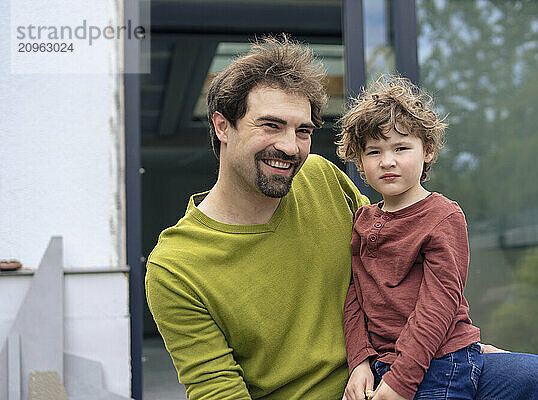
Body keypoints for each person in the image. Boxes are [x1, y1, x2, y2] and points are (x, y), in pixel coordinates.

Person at [145, 36, 370, 399]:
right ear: (222, 127)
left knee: (498, 374)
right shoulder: (176, 266)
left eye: (303, 131)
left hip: (392, 377)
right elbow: (219, 392)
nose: (290, 147)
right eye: (270, 125)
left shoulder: (322, 177)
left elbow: (399, 261)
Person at [336, 76, 538, 400]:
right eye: (373, 151)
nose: (387, 161)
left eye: (401, 148)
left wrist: (398, 384)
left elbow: (439, 304)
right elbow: (354, 298)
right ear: (360, 161)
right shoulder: (362, 221)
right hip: (381, 365)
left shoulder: (442, 216)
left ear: (427, 151)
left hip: (440, 361)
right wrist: (359, 362)